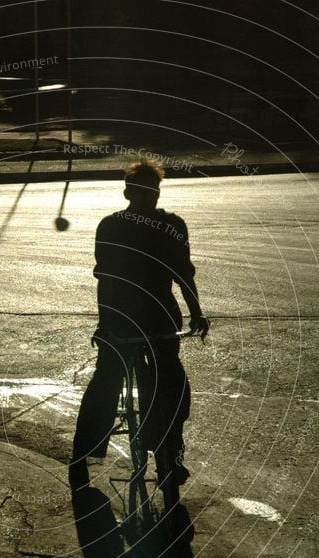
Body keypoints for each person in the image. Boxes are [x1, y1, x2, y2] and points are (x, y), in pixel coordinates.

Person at [69, 159, 210, 490]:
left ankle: (172, 454)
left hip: (161, 314)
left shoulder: (174, 225)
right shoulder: (111, 227)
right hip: (121, 314)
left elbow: (183, 273)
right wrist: (105, 324)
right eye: (144, 191)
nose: (151, 197)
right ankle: (83, 450)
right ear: (128, 192)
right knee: (107, 377)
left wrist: (196, 311)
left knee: (173, 385)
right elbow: (106, 278)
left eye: (155, 190)